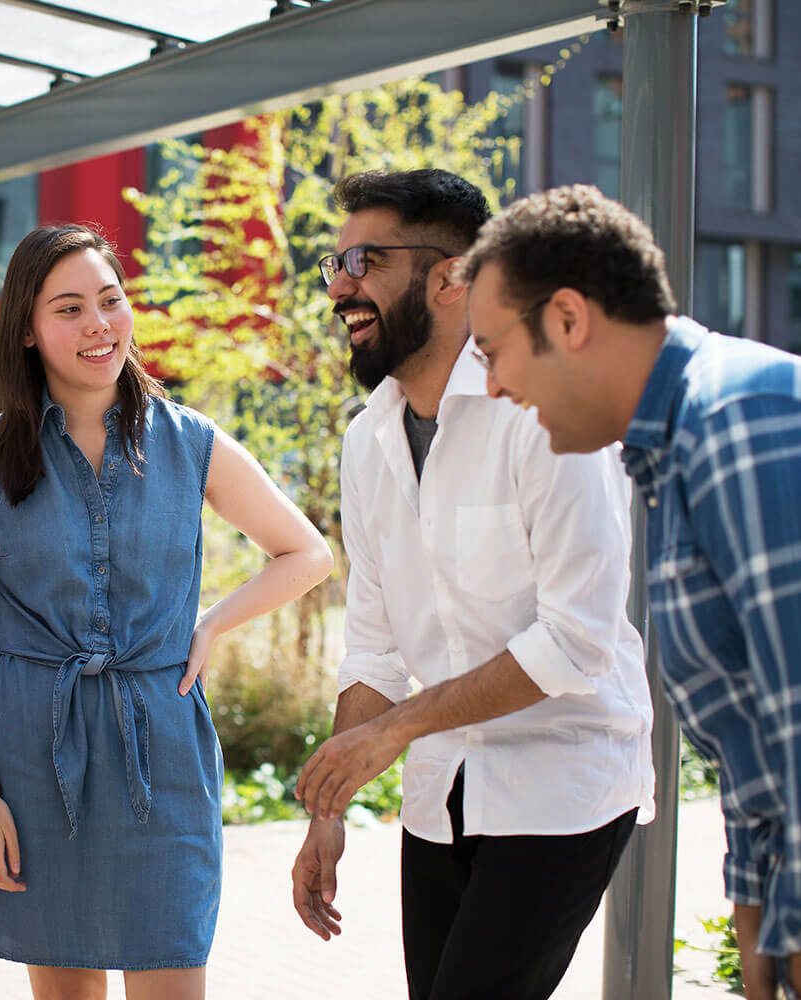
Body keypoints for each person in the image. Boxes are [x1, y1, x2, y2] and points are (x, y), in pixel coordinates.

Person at [459, 183, 801, 1000]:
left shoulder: (742, 419)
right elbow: (760, 736)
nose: (490, 387)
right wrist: (754, 902)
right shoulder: (675, 450)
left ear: (567, 318)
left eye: (491, 351)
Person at [0, 223, 333, 1000]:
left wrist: (213, 621)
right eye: (69, 309)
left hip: (162, 745)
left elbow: (307, 553)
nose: (98, 325)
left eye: (111, 301)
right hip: (31, 755)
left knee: (173, 970)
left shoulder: (191, 443)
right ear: (26, 330)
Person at [288, 170, 656, 1000]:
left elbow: (576, 640)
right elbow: (377, 649)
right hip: (442, 790)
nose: (341, 285)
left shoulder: (546, 413)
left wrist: (394, 732)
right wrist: (329, 812)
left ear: (453, 277)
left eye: (365, 260)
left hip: (565, 783)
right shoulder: (366, 439)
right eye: (334, 263)